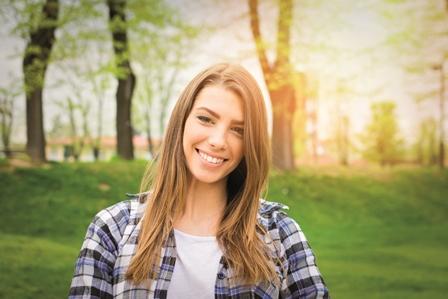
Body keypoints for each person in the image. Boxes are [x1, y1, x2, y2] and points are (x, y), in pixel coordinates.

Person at [69, 63, 329, 298]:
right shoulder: (111, 230)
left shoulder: (280, 235)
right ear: (182, 121)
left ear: (250, 144)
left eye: (238, 130)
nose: (218, 140)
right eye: (206, 119)